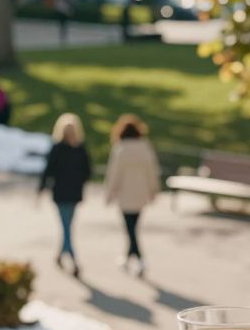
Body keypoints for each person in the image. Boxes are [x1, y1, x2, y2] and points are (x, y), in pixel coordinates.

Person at [103, 114, 160, 277]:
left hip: (125, 195)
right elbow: (152, 171)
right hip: (140, 194)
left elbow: (113, 174)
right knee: (133, 228)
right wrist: (153, 190)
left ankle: (140, 259)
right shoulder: (145, 147)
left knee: (130, 229)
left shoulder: (120, 149)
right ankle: (128, 257)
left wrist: (109, 193)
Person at [40, 113, 92, 277]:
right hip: (64, 194)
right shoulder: (59, 148)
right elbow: (48, 170)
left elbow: (87, 171)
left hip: (71, 193)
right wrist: (41, 188)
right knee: (67, 227)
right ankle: (73, 259)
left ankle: (61, 255)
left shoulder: (79, 149)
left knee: (67, 227)